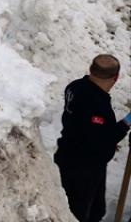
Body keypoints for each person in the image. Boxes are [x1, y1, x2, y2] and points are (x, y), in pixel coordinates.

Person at [53, 54, 130, 222]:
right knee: (78, 214)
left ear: (90, 70)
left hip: (70, 153)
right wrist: (127, 121)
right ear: (116, 77)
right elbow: (105, 139)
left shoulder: (74, 86)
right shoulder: (97, 106)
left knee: (97, 209)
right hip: (83, 168)